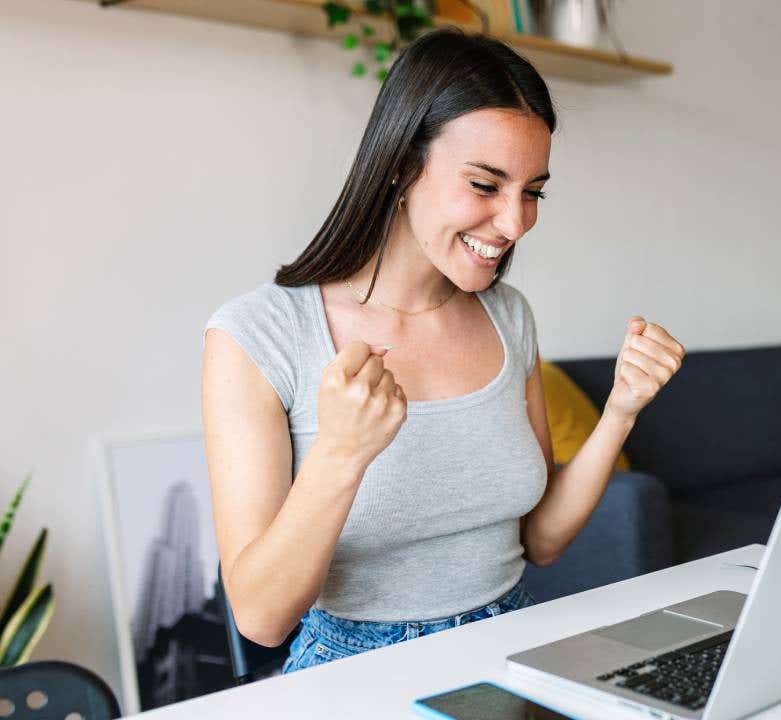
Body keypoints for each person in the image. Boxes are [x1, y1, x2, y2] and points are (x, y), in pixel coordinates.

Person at [200, 28, 684, 673]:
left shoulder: (508, 316)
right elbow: (261, 620)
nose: (515, 224)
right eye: (486, 185)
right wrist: (341, 455)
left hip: (511, 644)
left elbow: (539, 541)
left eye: (532, 191)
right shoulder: (257, 335)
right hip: (351, 670)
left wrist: (621, 410)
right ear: (401, 164)